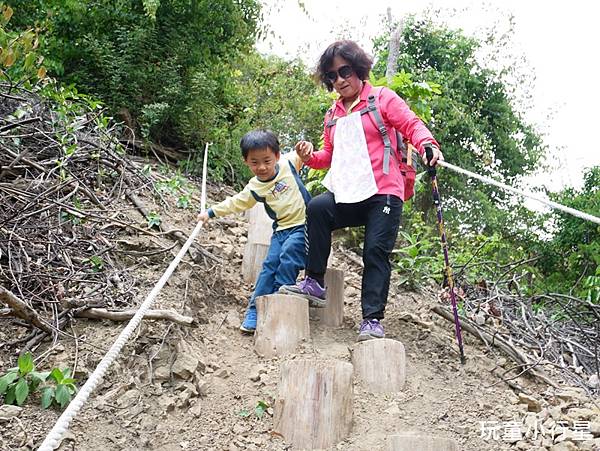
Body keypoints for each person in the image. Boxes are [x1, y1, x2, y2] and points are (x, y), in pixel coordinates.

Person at [279, 40, 443, 341]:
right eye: (332, 75)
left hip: (384, 190)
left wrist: (428, 145)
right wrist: (307, 156)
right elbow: (327, 158)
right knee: (317, 208)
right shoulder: (333, 115)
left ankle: (371, 319)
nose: (339, 80)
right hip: (349, 191)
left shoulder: (382, 99)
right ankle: (314, 281)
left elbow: (412, 125)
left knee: (375, 251)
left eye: (345, 71)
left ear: (359, 69)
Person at [198, 129, 310, 333]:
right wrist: (211, 212)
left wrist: (306, 151)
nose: (262, 167)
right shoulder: (254, 187)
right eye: (255, 162)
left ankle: (278, 299)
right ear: (246, 162)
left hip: (304, 226)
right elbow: (235, 203)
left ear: (277, 156)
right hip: (281, 230)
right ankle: (254, 308)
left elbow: (306, 154)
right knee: (269, 266)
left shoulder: (288, 162)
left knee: (290, 255)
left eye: (267, 160)